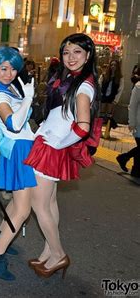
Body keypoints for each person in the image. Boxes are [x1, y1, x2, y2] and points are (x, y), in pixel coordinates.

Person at [24, 33, 100, 278]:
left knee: (39, 205)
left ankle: (58, 254)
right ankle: (48, 252)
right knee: (50, 203)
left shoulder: (83, 86)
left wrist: (57, 142)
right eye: (67, 52)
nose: (71, 57)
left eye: (77, 52)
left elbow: (83, 126)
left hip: (51, 149)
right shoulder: (73, 80)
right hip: (50, 144)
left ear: (88, 55)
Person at [0, 47, 36, 281]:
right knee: (23, 209)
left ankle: (1, 234)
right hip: (17, 150)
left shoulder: (9, 87)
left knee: (17, 203)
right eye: (3, 68)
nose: (9, 73)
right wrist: (29, 100)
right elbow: (14, 123)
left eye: (13, 68)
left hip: (20, 148)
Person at [116, 78, 140, 178]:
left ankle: (135, 170)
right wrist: (132, 123)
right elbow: (132, 105)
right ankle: (124, 158)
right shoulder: (138, 87)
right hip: (139, 123)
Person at [100, 59, 122, 138]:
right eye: (111, 65)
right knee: (101, 115)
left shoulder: (120, 78)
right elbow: (99, 85)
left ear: (117, 67)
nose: (113, 67)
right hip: (103, 97)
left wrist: (116, 100)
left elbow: (120, 90)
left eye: (115, 65)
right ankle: (99, 132)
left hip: (112, 98)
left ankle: (107, 132)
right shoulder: (104, 75)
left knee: (109, 116)